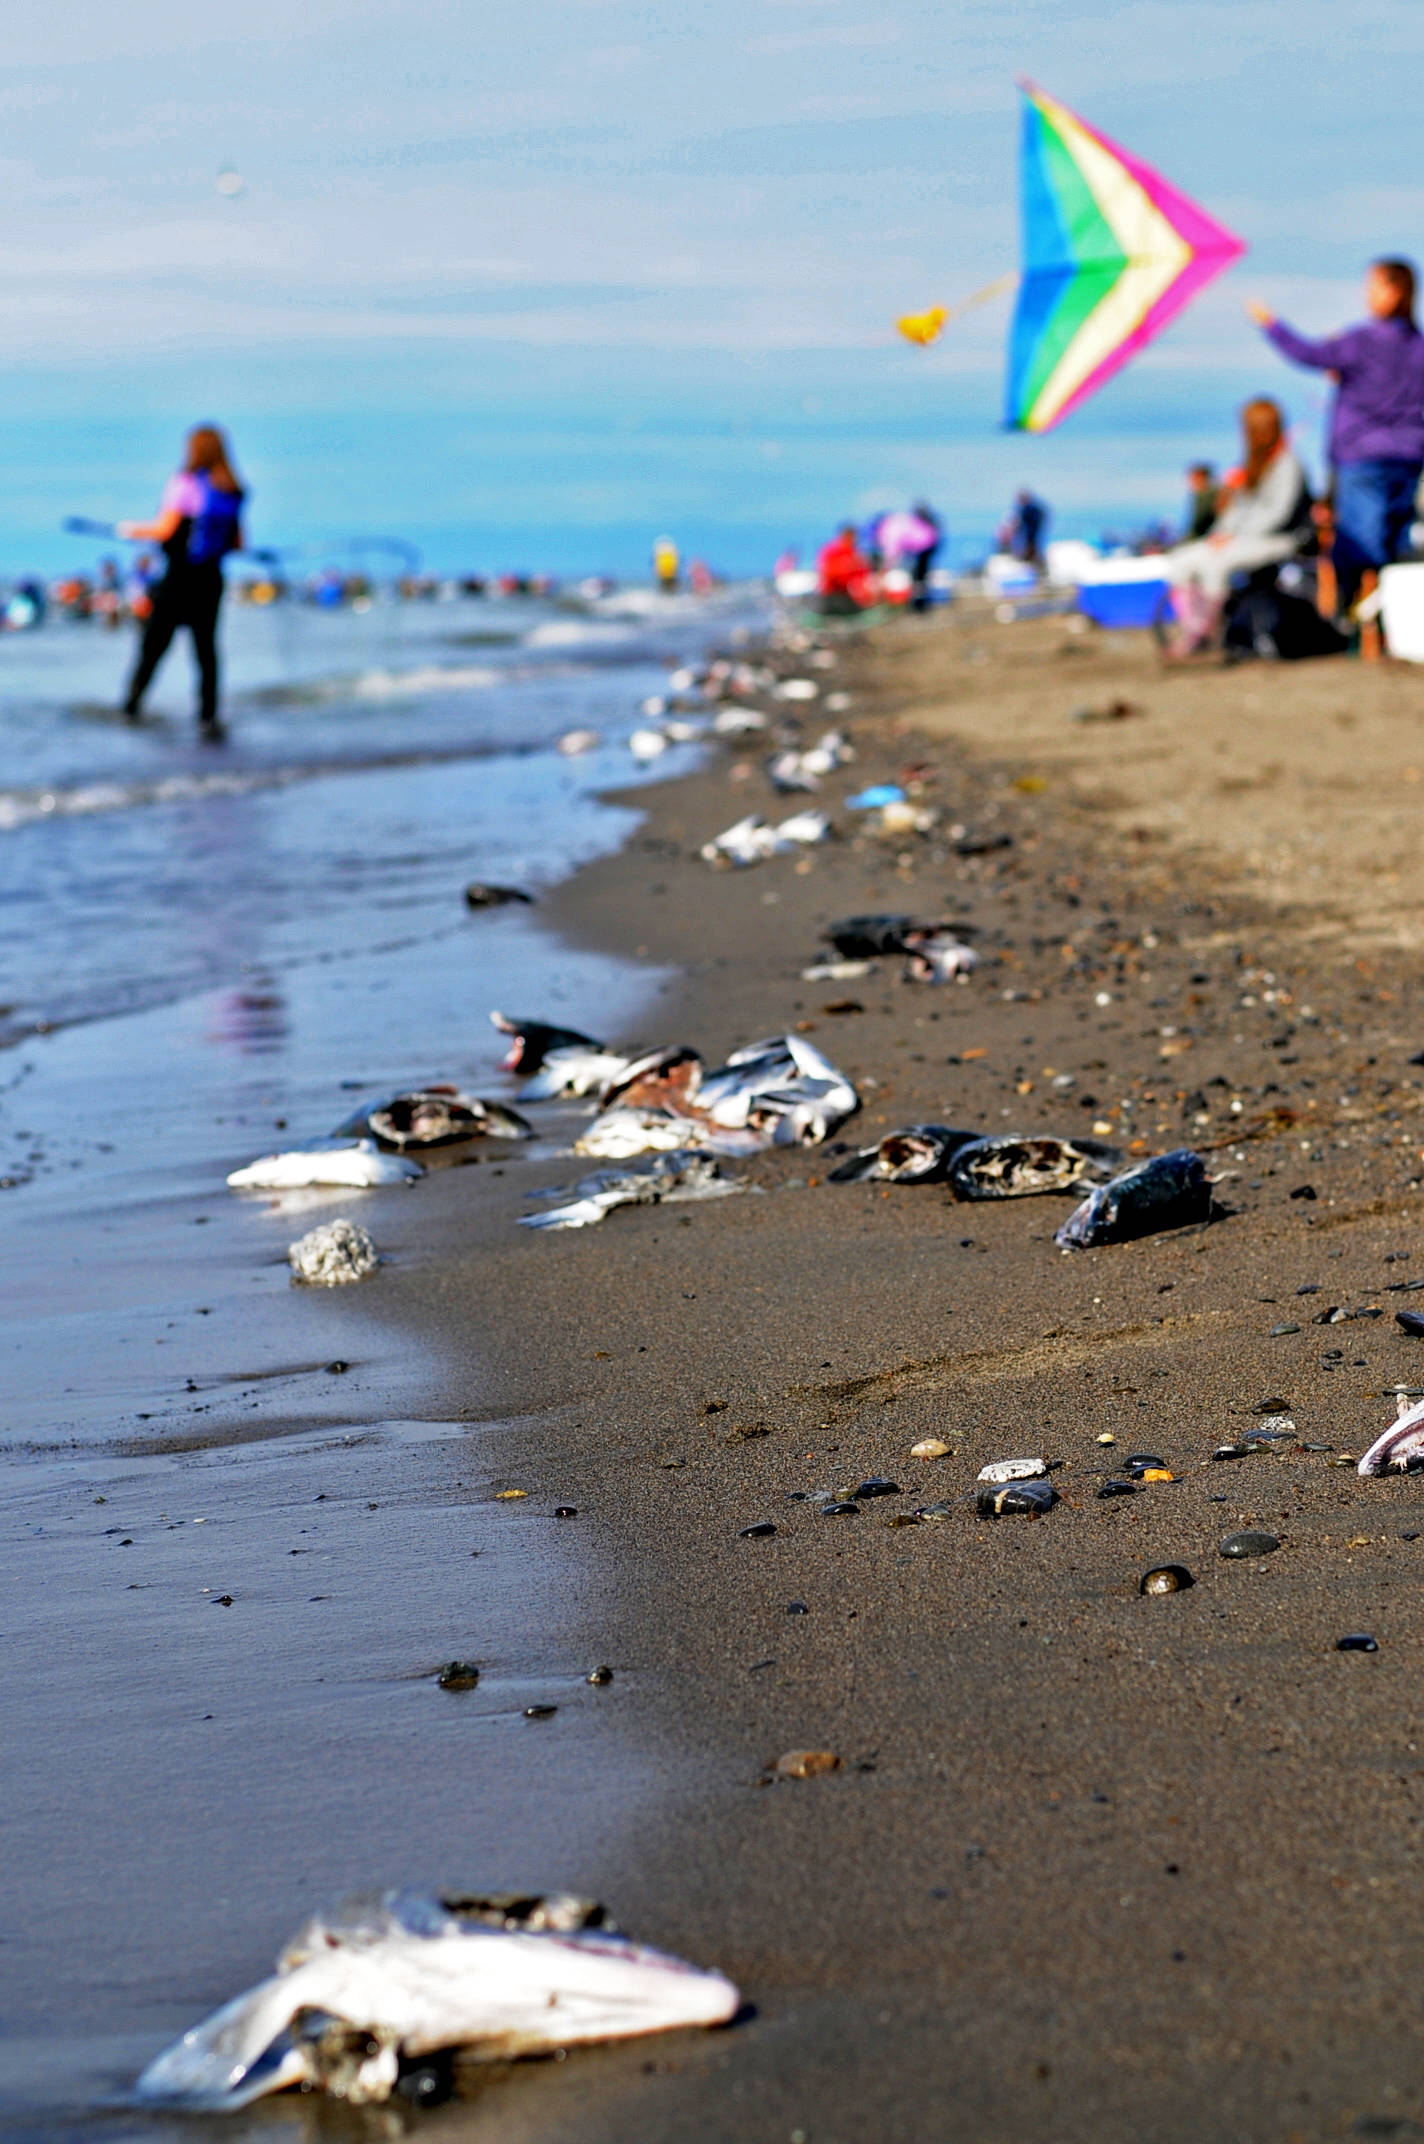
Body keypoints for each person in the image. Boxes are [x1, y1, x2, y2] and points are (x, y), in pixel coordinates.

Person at [1249, 260, 1424, 608]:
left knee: (1361, 544)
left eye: (1373, 287)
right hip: (1409, 455)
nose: (1366, 295)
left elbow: (1307, 353)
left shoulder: (1359, 341)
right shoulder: (1417, 347)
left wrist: (1271, 325)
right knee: (1394, 542)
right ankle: (1382, 620)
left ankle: (1355, 615)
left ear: (1396, 291)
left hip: (1362, 456)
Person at [119, 424, 246, 734]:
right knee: (206, 650)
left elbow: (165, 528)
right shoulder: (232, 490)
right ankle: (208, 715)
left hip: (179, 577)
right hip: (212, 579)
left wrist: (131, 530)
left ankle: (131, 708)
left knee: (154, 644)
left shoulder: (186, 483)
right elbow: (239, 542)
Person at [1165, 398, 1310, 652]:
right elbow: (1236, 511)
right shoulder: (1251, 466)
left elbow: (1279, 514)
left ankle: (1207, 633)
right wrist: (1220, 534)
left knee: (1216, 564)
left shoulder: (1288, 464)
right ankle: (1193, 628)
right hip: (1240, 538)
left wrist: (1233, 537)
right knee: (1181, 560)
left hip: (1279, 539)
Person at [816, 523, 875, 613]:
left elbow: (862, 573)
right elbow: (826, 572)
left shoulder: (853, 552)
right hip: (830, 595)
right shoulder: (832, 550)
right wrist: (848, 566)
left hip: (845, 594)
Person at [1007, 488, 1048, 566]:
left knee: (1032, 547)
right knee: (1032, 547)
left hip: (1031, 533)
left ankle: (1035, 565)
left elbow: (1021, 522)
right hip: (1031, 533)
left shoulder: (1029, 509)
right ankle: (1035, 564)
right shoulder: (1031, 508)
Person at [1184, 463, 1218, 540]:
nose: (1192, 481)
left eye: (1195, 478)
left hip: (1208, 539)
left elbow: (1199, 525)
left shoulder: (1207, 495)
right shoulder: (1202, 495)